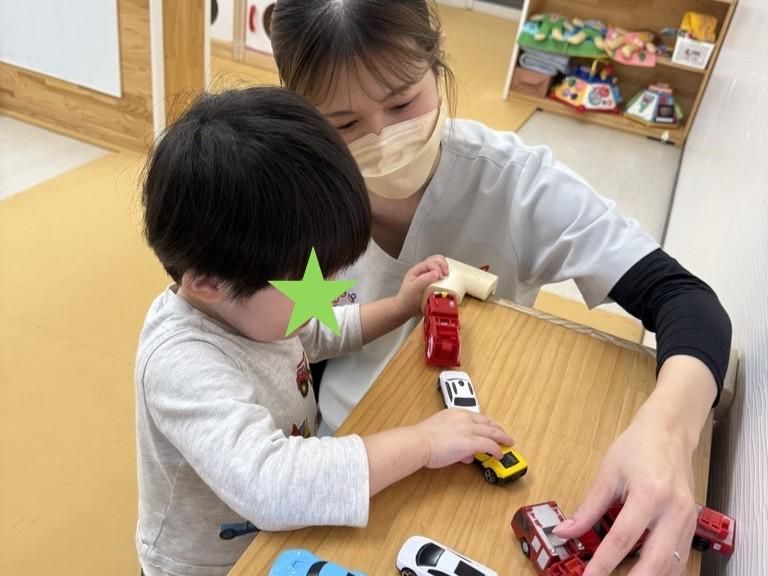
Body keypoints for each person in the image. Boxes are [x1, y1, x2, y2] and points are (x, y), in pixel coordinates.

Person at [269, 2, 732, 575]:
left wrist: (666, 432)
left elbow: (683, 297)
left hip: (475, 444)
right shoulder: (285, 197)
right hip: (340, 457)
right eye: (343, 125)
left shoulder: (513, 182)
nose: (384, 139)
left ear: (436, 64)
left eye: (403, 103)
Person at [135, 86, 513, 576]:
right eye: (307, 279)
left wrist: (399, 307)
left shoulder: (255, 311)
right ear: (207, 282)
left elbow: (318, 333)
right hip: (213, 563)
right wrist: (423, 443)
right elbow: (271, 484)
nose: (327, 288)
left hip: (283, 529)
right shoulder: (181, 363)